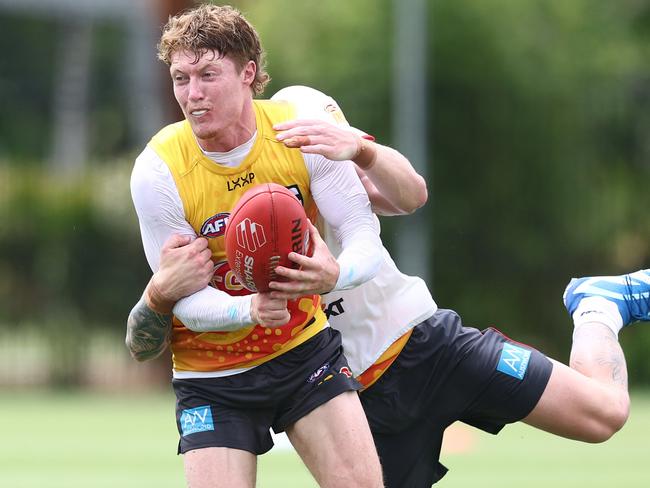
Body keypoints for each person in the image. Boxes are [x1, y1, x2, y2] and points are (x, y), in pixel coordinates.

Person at [128, 5, 387, 488]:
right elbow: (182, 299)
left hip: (303, 351)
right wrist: (251, 307)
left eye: (208, 74)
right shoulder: (158, 169)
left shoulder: (299, 134)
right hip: (210, 376)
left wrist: (336, 275)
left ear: (249, 73)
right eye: (181, 78)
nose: (193, 94)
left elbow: (364, 236)